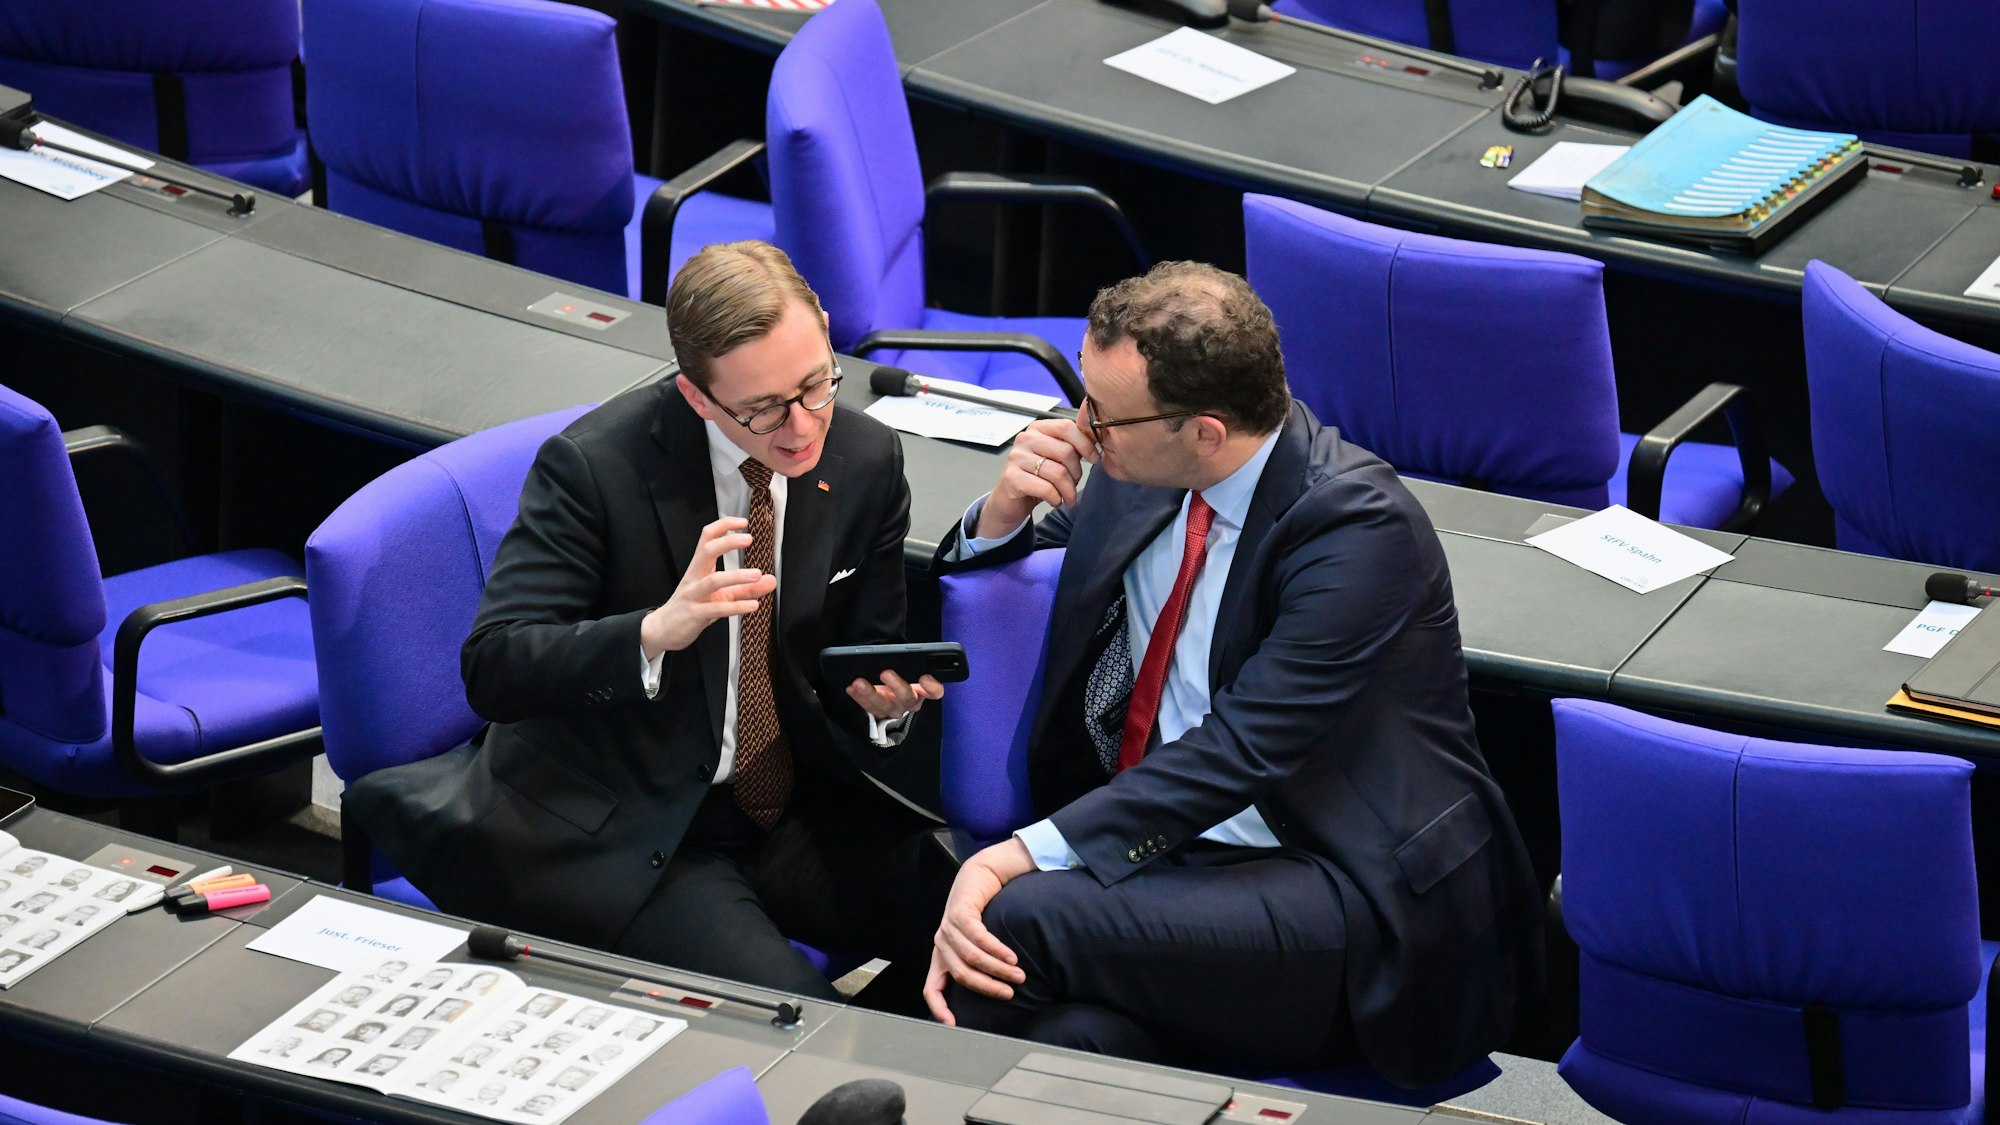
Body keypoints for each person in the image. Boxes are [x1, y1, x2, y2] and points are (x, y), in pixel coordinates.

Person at [923, 262, 1542, 1088]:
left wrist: (1014, 856)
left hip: (1334, 885)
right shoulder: (1142, 466)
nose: (1081, 431)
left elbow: (1241, 749)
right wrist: (999, 516)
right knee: (1068, 1038)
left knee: (1011, 918)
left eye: (1102, 418)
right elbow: (1035, 543)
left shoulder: (1356, 528)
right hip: (1170, 866)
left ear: (1206, 431)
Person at [344, 240, 953, 1006]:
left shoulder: (865, 457)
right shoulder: (596, 468)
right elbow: (494, 665)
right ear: (698, 396)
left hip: (791, 802)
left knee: (1002, 933)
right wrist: (653, 632)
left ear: (826, 331)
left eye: (816, 384)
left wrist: (881, 704)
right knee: (803, 1021)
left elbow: (861, 653)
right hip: (640, 825)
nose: (802, 427)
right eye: (763, 409)